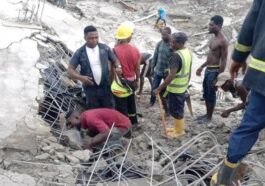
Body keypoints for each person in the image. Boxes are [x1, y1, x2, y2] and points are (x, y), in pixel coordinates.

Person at [211, 0, 265, 185]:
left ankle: (224, 180)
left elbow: (249, 26)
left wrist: (238, 58)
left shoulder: (240, 87)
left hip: (261, 79)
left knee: (247, 129)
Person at [68, 25, 121, 109]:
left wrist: (118, 66)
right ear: (85, 38)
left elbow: (115, 60)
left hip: (106, 86)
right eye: (91, 38)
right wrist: (81, 78)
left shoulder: (105, 48)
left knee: (109, 109)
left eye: (96, 37)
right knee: (94, 111)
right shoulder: (80, 52)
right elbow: (70, 70)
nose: (94, 40)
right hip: (90, 89)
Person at [154, 32, 192, 138]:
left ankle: (179, 131)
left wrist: (159, 88)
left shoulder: (176, 56)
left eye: (173, 42)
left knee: (176, 110)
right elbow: (187, 69)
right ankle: (177, 128)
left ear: (180, 43)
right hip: (182, 86)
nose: (171, 44)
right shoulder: (187, 52)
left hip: (176, 88)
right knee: (178, 108)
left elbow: (171, 76)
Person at [196, 15, 228, 121]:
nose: (209, 27)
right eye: (209, 24)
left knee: (211, 94)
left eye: (211, 25)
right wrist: (201, 67)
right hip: (208, 70)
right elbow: (211, 57)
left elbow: (223, 60)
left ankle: (209, 117)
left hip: (214, 71)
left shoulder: (223, 41)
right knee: (206, 92)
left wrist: (218, 78)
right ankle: (206, 114)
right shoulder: (213, 38)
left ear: (219, 25)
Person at [112, 23, 140, 128]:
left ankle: (125, 126)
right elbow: (137, 68)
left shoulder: (114, 50)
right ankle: (134, 123)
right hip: (132, 81)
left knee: (121, 105)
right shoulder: (135, 50)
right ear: (129, 36)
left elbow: (113, 69)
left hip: (120, 83)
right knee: (131, 103)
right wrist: (137, 80)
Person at [66, 108, 131, 150]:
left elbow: (106, 132)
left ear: (77, 118)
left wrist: (90, 144)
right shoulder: (84, 116)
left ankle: (122, 143)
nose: (70, 127)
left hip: (121, 126)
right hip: (112, 124)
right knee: (91, 136)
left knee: (97, 145)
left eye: (70, 123)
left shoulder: (90, 118)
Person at [150, 27, 172, 107]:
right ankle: (152, 101)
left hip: (168, 73)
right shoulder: (159, 43)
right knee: (154, 87)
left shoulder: (173, 45)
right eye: (162, 34)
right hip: (158, 70)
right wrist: (152, 68)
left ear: (169, 34)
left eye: (164, 35)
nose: (162, 36)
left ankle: (167, 104)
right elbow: (155, 56)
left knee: (167, 90)